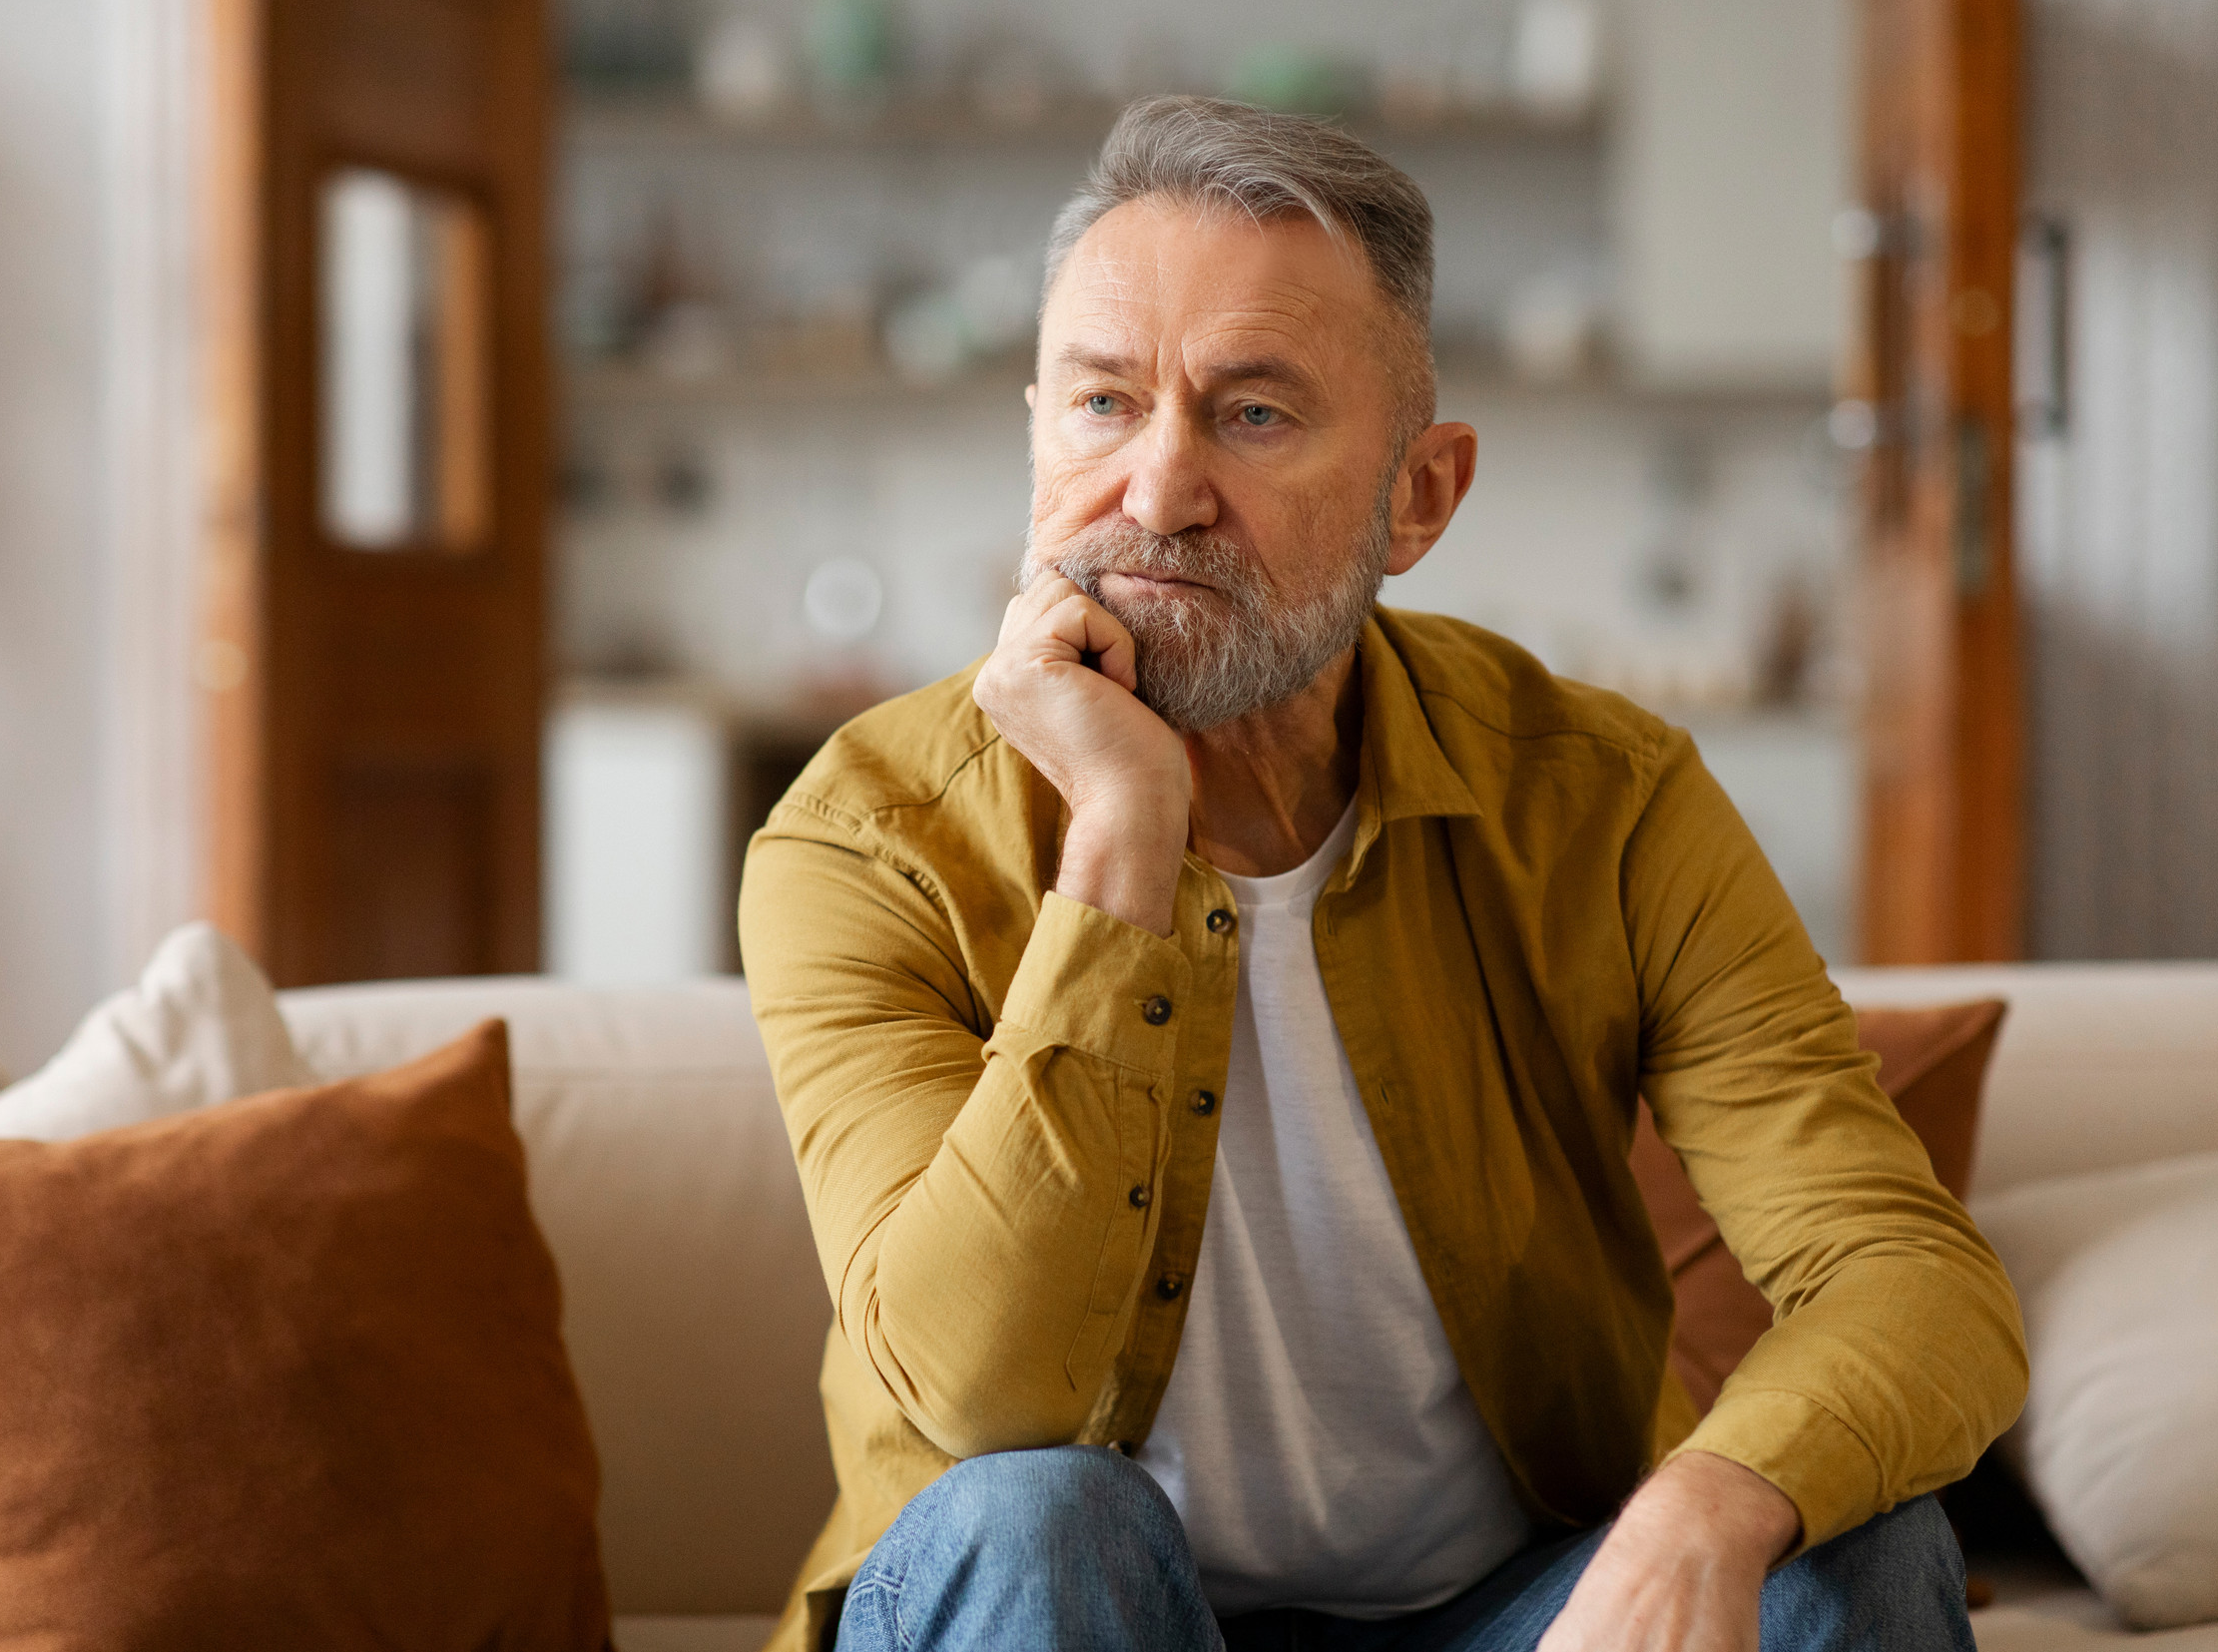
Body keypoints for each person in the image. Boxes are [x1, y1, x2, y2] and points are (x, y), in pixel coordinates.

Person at [740, 96, 2026, 1652]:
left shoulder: (1603, 800)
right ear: (1035, 429)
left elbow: (1911, 1275)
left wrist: (1710, 1504)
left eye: (1254, 413)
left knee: (1857, 1550)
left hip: (1506, 1614)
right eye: (1099, 405)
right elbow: (978, 1392)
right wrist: (1123, 838)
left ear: (1419, 493)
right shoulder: (866, 832)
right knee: (1039, 1515)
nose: (1154, 491)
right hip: (1063, 1602)